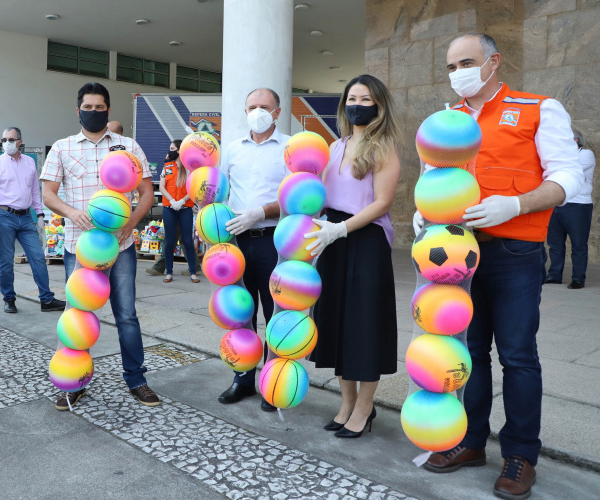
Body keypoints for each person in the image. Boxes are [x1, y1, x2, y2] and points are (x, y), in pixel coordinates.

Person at [416, 33, 582, 500]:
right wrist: (425, 212)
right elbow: (432, 177)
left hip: (515, 252)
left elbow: (568, 175)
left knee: (517, 354)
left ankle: (521, 454)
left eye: (466, 63)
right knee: (468, 352)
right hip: (456, 253)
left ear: (493, 62)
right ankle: (471, 441)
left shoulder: (537, 108)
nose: (458, 74)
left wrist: (516, 204)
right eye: (450, 67)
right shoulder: (446, 121)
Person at [40, 82, 161, 410]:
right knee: (76, 315)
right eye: (88, 107)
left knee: (127, 315)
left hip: (120, 246)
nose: (93, 112)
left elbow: (147, 192)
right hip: (79, 246)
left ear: (108, 110)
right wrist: (71, 212)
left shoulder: (127, 147)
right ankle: (75, 382)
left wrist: (131, 223)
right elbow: (48, 193)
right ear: (77, 110)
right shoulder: (62, 148)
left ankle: (136, 380)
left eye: (99, 107)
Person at [304, 74, 400, 439]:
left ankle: (364, 407)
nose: (357, 105)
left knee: (364, 325)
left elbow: (382, 202)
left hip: (365, 239)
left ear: (378, 105)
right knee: (336, 322)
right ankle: (346, 402)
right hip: (333, 239)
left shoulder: (384, 146)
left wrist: (341, 229)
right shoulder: (335, 146)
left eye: (365, 99)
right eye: (352, 99)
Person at [217, 88, 287, 411]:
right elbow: (219, 191)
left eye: (264, 106)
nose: (257, 112)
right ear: (245, 112)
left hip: (275, 240)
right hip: (238, 242)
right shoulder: (232, 149)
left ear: (277, 112)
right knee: (241, 313)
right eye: (252, 107)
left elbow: (298, 197)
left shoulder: (290, 148)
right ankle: (243, 378)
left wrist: (260, 212)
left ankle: (273, 381)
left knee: (275, 313)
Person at [0, 127, 66, 314]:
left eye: (11, 140)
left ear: (20, 141)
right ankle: (9, 299)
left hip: (26, 218)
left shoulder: (29, 162)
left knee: (38, 257)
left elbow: (35, 191)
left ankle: (46, 299)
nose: (7, 143)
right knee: (6, 261)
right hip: (3, 217)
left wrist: (40, 215)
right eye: (4, 140)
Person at [545, 131, 595, 289]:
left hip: (578, 205)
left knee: (578, 244)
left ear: (575, 140)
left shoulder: (586, 154)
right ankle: (554, 275)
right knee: (555, 244)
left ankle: (578, 278)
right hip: (556, 203)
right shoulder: (560, 156)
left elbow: (569, 170)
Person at [159, 139, 199, 283]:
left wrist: (182, 201)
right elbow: (162, 187)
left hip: (185, 208)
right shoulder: (167, 166)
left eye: (172, 148)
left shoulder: (190, 169)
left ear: (180, 151)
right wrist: (172, 201)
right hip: (169, 208)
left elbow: (193, 188)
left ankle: (193, 272)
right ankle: (169, 272)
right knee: (169, 241)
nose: (170, 151)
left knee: (188, 241)